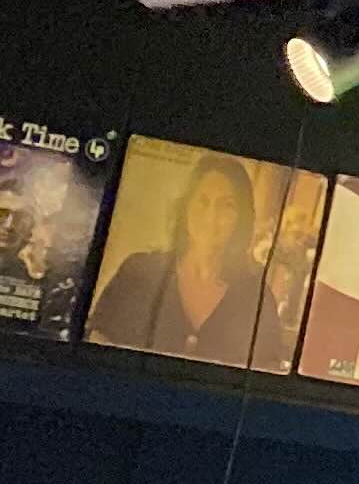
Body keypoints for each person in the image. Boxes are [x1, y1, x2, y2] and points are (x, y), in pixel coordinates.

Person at [89, 152, 264, 359]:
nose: (211, 216)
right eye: (202, 201)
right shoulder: (137, 271)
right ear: (186, 206)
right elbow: (97, 342)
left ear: (242, 218)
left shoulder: (256, 297)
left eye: (226, 205)